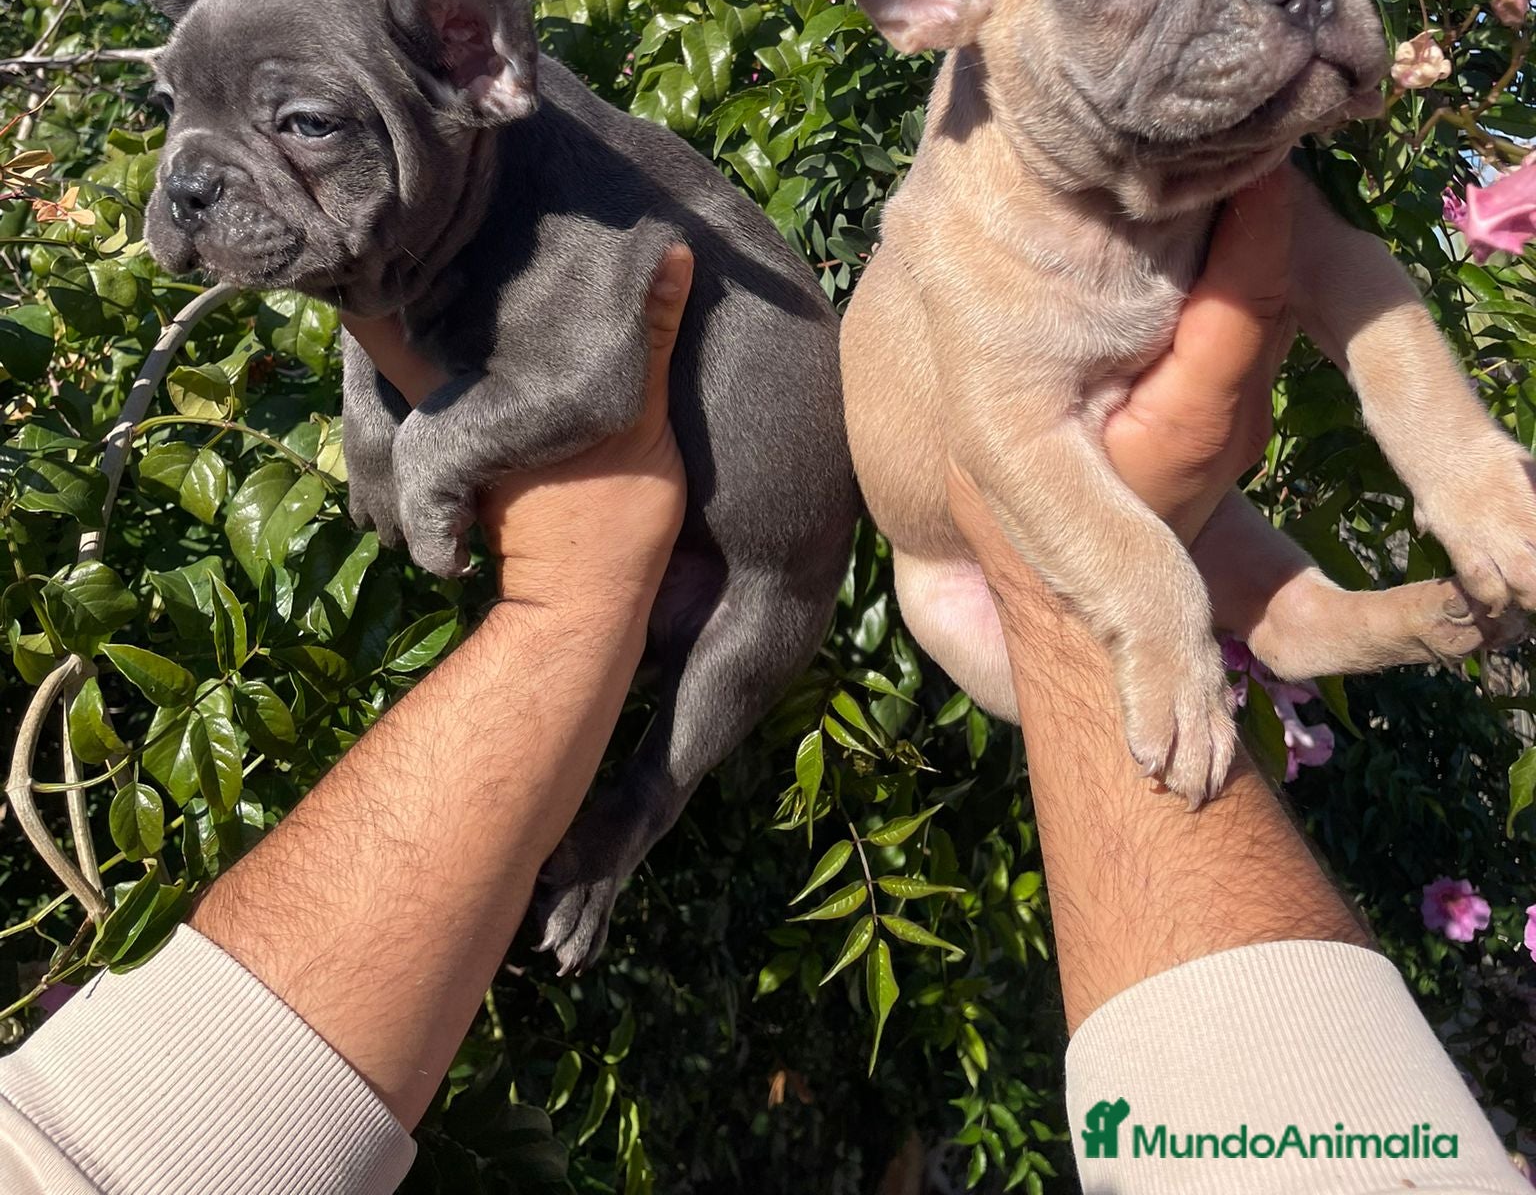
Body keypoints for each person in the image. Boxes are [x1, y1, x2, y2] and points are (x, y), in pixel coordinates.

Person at [0, 194, 1525, 1195]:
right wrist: (1094, 604)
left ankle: (1295, 613)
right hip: (963, 551)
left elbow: (84, 1156)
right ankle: (1286, 614)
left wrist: (562, 598)